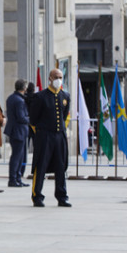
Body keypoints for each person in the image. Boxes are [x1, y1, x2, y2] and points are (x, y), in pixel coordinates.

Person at [28, 69, 72, 208]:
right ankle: (37, 196)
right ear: (50, 78)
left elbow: (64, 116)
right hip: (45, 135)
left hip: (59, 135)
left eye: (60, 77)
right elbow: (33, 119)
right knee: (40, 166)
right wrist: (39, 134)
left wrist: (61, 131)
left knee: (61, 167)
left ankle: (62, 196)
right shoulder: (40, 96)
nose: (58, 79)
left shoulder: (65, 96)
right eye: (56, 77)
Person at [5, 79, 31, 187]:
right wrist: (31, 119)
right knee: (17, 156)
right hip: (18, 131)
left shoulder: (11, 98)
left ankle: (17, 177)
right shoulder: (19, 100)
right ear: (24, 88)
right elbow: (21, 117)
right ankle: (14, 178)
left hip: (14, 130)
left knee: (18, 155)